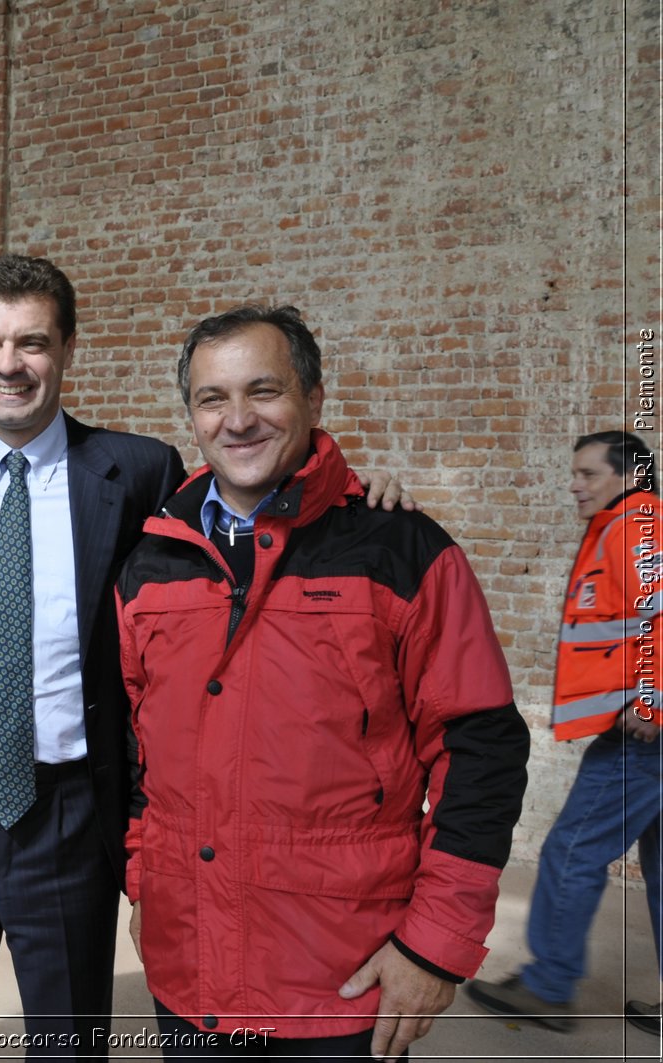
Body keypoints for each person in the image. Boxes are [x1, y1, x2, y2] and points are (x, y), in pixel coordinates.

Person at [0, 256, 413, 1057]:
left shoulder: (135, 467)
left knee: (68, 1037)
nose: (8, 364)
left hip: (72, 810)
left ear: (68, 349)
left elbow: (233, 526)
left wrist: (354, 501)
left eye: (31, 341)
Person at [115, 304, 531, 1061]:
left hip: (340, 984)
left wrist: (436, 947)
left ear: (314, 399)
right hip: (192, 972)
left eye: (263, 391)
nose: (237, 418)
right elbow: (142, 758)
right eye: (213, 398)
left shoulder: (400, 550)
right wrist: (146, 884)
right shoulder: (151, 565)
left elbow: (482, 751)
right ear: (192, 416)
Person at [466, 431, 661, 1035]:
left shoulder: (638, 526)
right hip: (641, 729)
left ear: (628, 476)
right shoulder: (626, 525)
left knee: (571, 851)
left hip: (643, 737)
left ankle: (549, 988)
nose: (574, 485)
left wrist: (652, 703)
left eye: (588, 473)